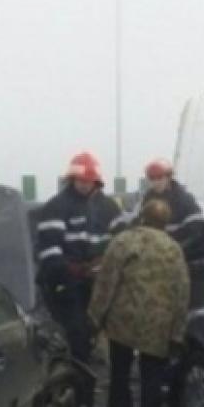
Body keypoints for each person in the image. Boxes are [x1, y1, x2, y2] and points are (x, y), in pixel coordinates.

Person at [88, 199, 189, 407]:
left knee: (120, 370)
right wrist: (177, 331)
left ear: (142, 217)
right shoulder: (174, 249)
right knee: (152, 376)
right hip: (158, 323)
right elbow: (182, 290)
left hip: (123, 318)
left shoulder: (123, 241)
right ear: (166, 222)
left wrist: (95, 316)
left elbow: (106, 281)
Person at [35, 152, 122, 372]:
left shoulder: (109, 208)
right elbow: (49, 251)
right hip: (66, 283)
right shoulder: (56, 207)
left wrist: (104, 264)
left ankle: (99, 372)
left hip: (100, 281)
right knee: (77, 331)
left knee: (111, 330)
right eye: (80, 180)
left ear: (96, 181)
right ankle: (79, 374)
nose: (84, 185)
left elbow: (121, 242)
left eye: (88, 181)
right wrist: (75, 270)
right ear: (71, 179)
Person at [143, 158, 204, 259]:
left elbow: (195, 229)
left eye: (159, 177)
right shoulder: (146, 199)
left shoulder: (185, 200)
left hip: (178, 252)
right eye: (152, 178)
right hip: (152, 252)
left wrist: (177, 249)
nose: (156, 182)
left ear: (169, 177)